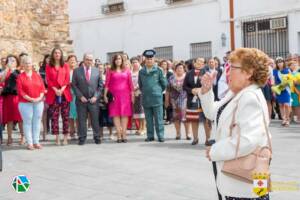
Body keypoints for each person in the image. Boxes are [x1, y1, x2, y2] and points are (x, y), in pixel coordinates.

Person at [200, 48, 271, 200]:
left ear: (248, 72)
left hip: (244, 186)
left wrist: (214, 150)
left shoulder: (250, 97)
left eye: (232, 67)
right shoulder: (236, 92)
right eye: (227, 66)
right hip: (238, 179)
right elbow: (212, 113)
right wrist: (206, 91)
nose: (227, 72)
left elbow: (248, 140)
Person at [72, 53, 103, 145]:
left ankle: (97, 137)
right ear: (84, 60)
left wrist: (95, 97)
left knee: (95, 120)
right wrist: (80, 96)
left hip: (93, 100)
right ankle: (82, 138)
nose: (89, 61)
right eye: (87, 59)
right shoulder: (76, 71)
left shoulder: (97, 71)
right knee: (81, 120)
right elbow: (74, 85)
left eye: (90, 59)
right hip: (81, 100)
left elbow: (100, 86)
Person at [17, 56, 45, 150]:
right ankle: (30, 143)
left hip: (38, 102)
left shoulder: (37, 75)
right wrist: (30, 99)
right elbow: (20, 91)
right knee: (27, 122)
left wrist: (39, 98)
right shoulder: (20, 77)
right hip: (25, 103)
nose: (28, 65)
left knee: (37, 121)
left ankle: (36, 141)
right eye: (26, 63)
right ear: (23, 65)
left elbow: (42, 88)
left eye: (29, 63)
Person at [138, 50, 167, 142]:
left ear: (154, 59)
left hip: (157, 98)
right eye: (147, 58)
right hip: (146, 98)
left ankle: (160, 136)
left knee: (159, 118)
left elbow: (164, 84)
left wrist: (157, 91)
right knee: (148, 119)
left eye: (151, 58)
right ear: (145, 59)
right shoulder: (141, 71)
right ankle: (150, 136)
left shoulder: (159, 70)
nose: (149, 60)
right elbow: (140, 85)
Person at [104, 54, 133, 143]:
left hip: (125, 96)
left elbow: (130, 84)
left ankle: (124, 134)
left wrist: (132, 96)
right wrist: (105, 95)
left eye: (119, 59)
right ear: (114, 61)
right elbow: (107, 84)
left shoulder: (127, 70)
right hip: (114, 96)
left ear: (122, 60)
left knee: (124, 114)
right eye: (116, 59)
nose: (118, 60)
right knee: (116, 115)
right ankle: (119, 135)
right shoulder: (110, 71)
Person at [46, 48, 72, 145]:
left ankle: (65, 138)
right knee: (55, 116)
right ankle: (57, 138)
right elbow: (48, 80)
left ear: (61, 55)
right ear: (53, 54)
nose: (57, 54)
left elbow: (67, 78)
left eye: (59, 53)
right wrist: (55, 89)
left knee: (65, 116)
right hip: (53, 93)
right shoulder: (49, 66)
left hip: (64, 93)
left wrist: (62, 89)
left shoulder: (65, 65)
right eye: (55, 53)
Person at [183, 57, 210, 146]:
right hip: (192, 100)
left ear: (204, 64)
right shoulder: (188, 73)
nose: (199, 63)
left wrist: (200, 90)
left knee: (206, 119)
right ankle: (195, 138)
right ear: (194, 63)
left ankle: (208, 139)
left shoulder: (207, 73)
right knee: (194, 119)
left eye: (202, 62)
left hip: (204, 100)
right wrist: (191, 90)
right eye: (198, 61)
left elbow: (209, 86)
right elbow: (184, 86)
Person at [0, 55, 24, 146]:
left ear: (17, 62)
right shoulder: (4, 72)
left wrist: (13, 71)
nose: (11, 62)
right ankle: (9, 137)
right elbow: (1, 80)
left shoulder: (19, 71)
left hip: (17, 97)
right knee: (9, 119)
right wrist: (7, 69)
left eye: (13, 60)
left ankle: (23, 136)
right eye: (9, 60)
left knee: (20, 118)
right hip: (8, 98)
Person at [165, 63, 191, 140]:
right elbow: (168, 90)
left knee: (185, 117)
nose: (179, 69)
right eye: (178, 68)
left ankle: (188, 134)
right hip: (174, 100)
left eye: (181, 68)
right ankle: (178, 133)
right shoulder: (171, 78)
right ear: (175, 69)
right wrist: (166, 100)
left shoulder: (187, 77)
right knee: (176, 117)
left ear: (184, 69)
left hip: (185, 99)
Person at [273, 57, 291, 126]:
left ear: (283, 63)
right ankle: (283, 119)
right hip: (279, 89)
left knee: (286, 104)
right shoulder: (274, 71)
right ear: (276, 64)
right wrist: (274, 91)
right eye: (278, 62)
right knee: (281, 105)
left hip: (286, 89)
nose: (280, 64)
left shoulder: (287, 70)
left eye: (281, 62)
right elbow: (274, 81)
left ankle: (287, 119)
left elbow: (290, 80)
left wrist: (285, 85)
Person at [98, 63, 114, 140]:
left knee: (109, 116)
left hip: (108, 98)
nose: (100, 69)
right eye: (99, 68)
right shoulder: (95, 77)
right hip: (99, 100)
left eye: (102, 68)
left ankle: (111, 133)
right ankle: (101, 134)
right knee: (100, 117)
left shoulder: (107, 76)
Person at [131, 57, 146, 135]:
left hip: (141, 92)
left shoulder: (142, 71)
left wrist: (136, 87)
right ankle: (140, 127)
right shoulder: (130, 72)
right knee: (137, 111)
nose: (134, 64)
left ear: (139, 63)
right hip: (133, 93)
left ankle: (143, 128)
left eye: (136, 62)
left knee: (142, 110)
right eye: (133, 62)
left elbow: (143, 82)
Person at [39, 54, 50, 141]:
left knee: (51, 114)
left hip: (53, 92)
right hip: (44, 92)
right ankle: (44, 133)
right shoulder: (41, 70)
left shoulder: (54, 68)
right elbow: (41, 81)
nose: (49, 60)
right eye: (47, 58)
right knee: (44, 114)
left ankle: (49, 129)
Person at [67, 55, 79, 139]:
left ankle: (79, 132)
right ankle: (71, 132)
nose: (72, 62)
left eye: (74, 60)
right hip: (68, 95)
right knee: (70, 115)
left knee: (78, 115)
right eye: (70, 60)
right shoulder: (66, 71)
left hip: (78, 95)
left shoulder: (79, 71)